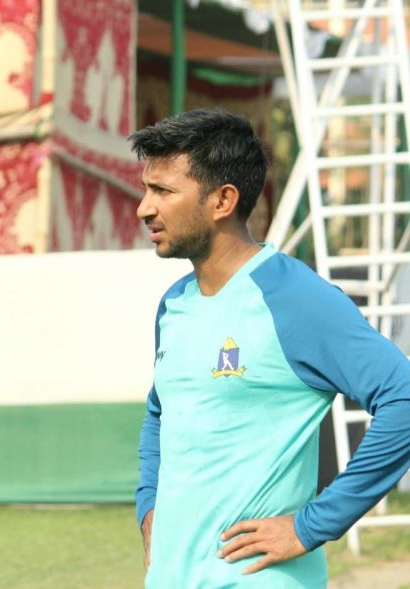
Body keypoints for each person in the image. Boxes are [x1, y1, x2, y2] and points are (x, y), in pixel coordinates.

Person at [130, 108, 410, 588]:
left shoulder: (296, 300)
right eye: (146, 189)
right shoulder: (174, 304)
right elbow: (161, 411)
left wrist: (311, 526)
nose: (144, 208)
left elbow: (403, 397)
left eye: (164, 191)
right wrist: (148, 504)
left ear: (223, 200)